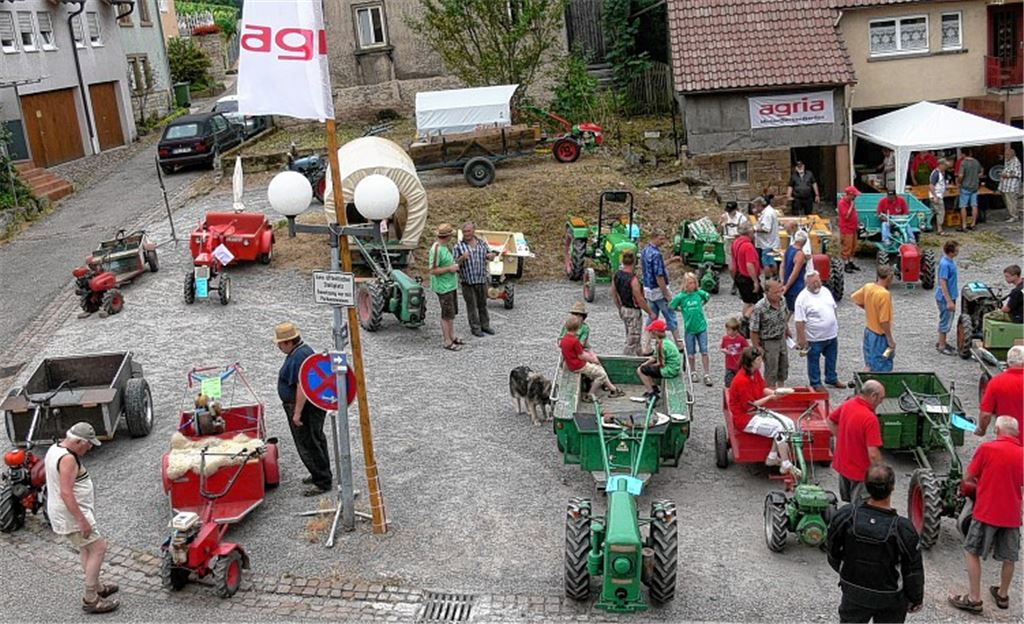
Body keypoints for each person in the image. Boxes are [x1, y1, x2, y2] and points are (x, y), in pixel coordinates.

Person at [827, 464, 924, 623]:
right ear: (893, 488)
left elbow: (832, 551)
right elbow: (913, 570)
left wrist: (844, 571)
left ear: (865, 485)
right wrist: (916, 598)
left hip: (853, 591)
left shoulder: (846, 515)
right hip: (890, 597)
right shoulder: (903, 527)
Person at [948, 417, 1023, 615]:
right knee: (1009, 556)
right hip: (1011, 514)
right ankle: (1003, 595)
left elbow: (967, 477)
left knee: (972, 551)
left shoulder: (987, 449)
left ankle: (974, 599)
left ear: (997, 429)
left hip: (986, 510)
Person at [45, 423, 120, 614]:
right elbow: (66, 493)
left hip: (68, 513)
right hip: (71, 515)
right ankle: (91, 598)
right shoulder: (68, 459)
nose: (90, 448)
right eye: (88, 444)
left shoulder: (55, 449)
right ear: (78, 441)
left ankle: (98, 587)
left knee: (86, 549)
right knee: (99, 548)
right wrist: (82, 520)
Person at [275, 322, 332, 496]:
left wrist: (297, 413)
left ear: (289, 342)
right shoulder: (302, 351)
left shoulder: (298, 357)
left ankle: (322, 481)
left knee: (308, 443)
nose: (278, 347)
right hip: (312, 406)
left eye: (280, 343)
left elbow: (302, 387)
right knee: (316, 439)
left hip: (305, 408)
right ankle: (321, 472)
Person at [728, 346, 800, 478]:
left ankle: (773, 456)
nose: (762, 362)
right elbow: (750, 406)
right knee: (780, 427)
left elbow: (762, 388)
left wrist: (775, 393)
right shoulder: (741, 381)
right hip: (745, 418)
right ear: (752, 362)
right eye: (760, 359)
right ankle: (786, 463)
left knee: (788, 423)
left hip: (755, 412)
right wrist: (771, 397)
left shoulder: (754, 373)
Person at [828, 380, 885, 503]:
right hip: (860, 473)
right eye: (881, 398)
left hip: (843, 466)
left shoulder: (848, 404)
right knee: (862, 510)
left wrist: (843, 437)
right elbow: (873, 454)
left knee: (850, 504)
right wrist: (881, 473)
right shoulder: (870, 419)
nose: (881, 402)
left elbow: (831, 420)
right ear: (873, 396)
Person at [794, 271, 843, 391]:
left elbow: (833, 308)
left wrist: (835, 325)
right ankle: (815, 383)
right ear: (807, 284)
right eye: (813, 283)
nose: (817, 285)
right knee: (813, 361)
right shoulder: (802, 298)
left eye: (818, 281)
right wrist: (802, 339)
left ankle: (831, 378)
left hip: (831, 335)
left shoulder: (826, 291)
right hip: (814, 338)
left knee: (832, 358)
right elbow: (799, 321)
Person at [560, 315, 624, 401]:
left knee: (599, 369)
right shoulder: (574, 341)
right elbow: (581, 355)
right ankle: (590, 395)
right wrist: (592, 359)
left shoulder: (564, 339)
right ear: (578, 328)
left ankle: (613, 389)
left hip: (571, 364)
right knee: (601, 374)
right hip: (579, 365)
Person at [640, 229, 682, 351]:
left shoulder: (645, 251)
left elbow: (648, 268)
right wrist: (667, 294)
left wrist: (670, 260)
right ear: (655, 237)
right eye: (661, 238)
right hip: (659, 291)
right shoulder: (656, 254)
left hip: (649, 289)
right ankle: (679, 344)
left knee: (652, 316)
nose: (663, 241)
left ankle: (646, 345)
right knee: (671, 316)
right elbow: (659, 275)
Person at [453, 222, 497, 338]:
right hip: (467, 281)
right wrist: (462, 258)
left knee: (483, 304)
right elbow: (454, 264)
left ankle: (485, 325)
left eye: (468, 231)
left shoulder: (482, 244)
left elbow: (489, 255)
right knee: (471, 306)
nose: (466, 234)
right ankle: (475, 328)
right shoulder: (458, 246)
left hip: (481, 279)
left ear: (473, 231)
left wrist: (491, 256)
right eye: (464, 232)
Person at [851, 265, 896, 372]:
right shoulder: (884, 294)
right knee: (881, 365)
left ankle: (864, 384)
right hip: (879, 336)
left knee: (869, 363)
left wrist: (870, 309)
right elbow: (884, 320)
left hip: (869, 331)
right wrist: (890, 339)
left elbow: (856, 299)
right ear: (889, 277)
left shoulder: (868, 287)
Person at [670, 272, 712, 386]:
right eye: (689, 283)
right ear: (685, 284)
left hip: (701, 327)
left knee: (704, 350)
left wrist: (702, 304)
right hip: (689, 329)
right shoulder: (682, 297)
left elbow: (707, 297)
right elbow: (672, 306)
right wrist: (682, 310)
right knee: (690, 353)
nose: (692, 285)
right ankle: (693, 371)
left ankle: (707, 373)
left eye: (693, 283)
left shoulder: (699, 293)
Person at [976, 345, 1024, 441]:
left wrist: (982, 429)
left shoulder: (996, 382)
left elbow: (985, 414)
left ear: (1007, 361)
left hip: (1008, 439)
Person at [429, 223, 463, 351]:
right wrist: (450, 268)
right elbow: (433, 270)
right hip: (443, 287)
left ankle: (452, 335)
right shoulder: (437, 249)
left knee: (451, 312)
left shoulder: (445, 247)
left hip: (450, 284)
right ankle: (447, 341)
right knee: (446, 314)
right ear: (447, 236)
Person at [750, 279, 789, 388]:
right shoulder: (760, 307)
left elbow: (784, 317)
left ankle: (781, 389)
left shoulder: (782, 300)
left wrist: (787, 330)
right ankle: (770, 391)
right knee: (771, 368)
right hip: (768, 341)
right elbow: (754, 330)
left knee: (783, 364)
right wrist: (757, 347)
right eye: (776, 292)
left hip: (781, 337)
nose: (779, 294)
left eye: (780, 291)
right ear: (767, 292)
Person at [611, 249, 651, 356]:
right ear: (634, 262)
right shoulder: (633, 280)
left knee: (631, 336)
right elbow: (639, 299)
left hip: (624, 308)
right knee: (632, 340)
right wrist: (650, 312)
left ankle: (639, 357)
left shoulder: (617, 275)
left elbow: (614, 294)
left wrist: (619, 308)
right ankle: (626, 362)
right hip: (633, 311)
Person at [634, 319, 682, 401]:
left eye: (651, 331)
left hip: (670, 370)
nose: (650, 332)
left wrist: (646, 366)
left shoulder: (661, 345)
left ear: (655, 332)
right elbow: (655, 356)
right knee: (646, 368)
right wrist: (646, 363)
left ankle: (652, 393)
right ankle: (654, 388)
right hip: (674, 367)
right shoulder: (665, 341)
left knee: (641, 370)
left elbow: (660, 364)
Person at [732, 220, 762, 321]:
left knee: (747, 301)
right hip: (747, 278)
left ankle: (745, 322)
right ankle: (745, 320)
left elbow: (732, 263)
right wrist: (755, 281)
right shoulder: (748, 246)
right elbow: (750, 265)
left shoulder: (736, 242)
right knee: (759, 302)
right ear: (749, 233)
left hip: (739, 275)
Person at [936, 240, 959, 356]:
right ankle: (941, 345)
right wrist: (949, 301)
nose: (958, 251)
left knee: (947, 319)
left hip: (950, 296)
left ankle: (943, 341)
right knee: (945, 320)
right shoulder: (945, 264)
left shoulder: (949, 261)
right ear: (951, 252)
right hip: (946, 298)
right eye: (956, 249)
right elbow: (943, 283)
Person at [719, 201, 745, 294]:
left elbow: (746, 231)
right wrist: (722, 223)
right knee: (731, 266)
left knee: (739, 264)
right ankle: (735, 281)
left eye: (731, 211)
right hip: (728, 241)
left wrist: (740, 234)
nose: (729, 213)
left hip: (738, 242)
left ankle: (738, 283)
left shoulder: (741, 218)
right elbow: (718, 231)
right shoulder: (724, 216)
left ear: (736, 210)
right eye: (728, 211)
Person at [781, 229, 808, 314]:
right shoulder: (800, 254)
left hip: (786, 283)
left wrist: (782, 281)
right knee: (795, 311)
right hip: (796, 287)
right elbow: (795, 273)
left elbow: (782, 266)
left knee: (788, 311)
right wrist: (787, 286)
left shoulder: (788, 249)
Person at [957, 148, 983, 231]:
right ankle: (973, 224)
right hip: (975, 187)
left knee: (963, 206)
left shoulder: (963, 163)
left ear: (963, 154)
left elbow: (960, 175)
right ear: (970, 153)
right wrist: (975, 177)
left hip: (965, 187)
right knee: (974, 205)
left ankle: (964, 225)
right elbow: (981, 172)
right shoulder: (976, 162)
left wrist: (959, 182)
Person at [837, 186, 862, 273]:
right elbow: (846, 216)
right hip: (846, 229)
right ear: (850, 195)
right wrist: (851, 206)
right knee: (847, 247)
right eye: (854, 195)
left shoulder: (850, 202)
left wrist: (857, 224)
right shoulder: (842, 203)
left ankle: (851, 262)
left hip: (853, 228)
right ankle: (846, 264)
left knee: (854, 246)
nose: (855, 197)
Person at [753, 196, 779, 278]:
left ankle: (769, 279)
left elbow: (766, 228)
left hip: (768, 243)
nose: (755, 208)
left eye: (756, 206)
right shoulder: (768, 211)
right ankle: (774, 278)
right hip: (769, 242)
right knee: (771, 261)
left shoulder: (767, 214)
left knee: (767, 263)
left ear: (760, 205)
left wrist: (754, 229)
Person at [721, 317, 749, 388]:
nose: (727, 332)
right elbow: (722, 347)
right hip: (729, 365)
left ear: (735, 331)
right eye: (727, 330)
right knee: (728, 382)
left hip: (739, 365)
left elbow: (747, 348)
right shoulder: (725, 338)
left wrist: (741, 353)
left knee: (740, 382)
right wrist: (724, 351)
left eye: (729, 330)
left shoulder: (741, 339)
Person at [999, 146, 1021, 223]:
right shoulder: (1009, 161)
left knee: (1011, 202)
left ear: (1012, 154)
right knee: (1008, 202)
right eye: (1005, 154)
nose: (1005, 156)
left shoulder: (1015, 162)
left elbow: (1018, 174)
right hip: (1006, 186)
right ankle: (1012, 214)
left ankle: (1014, 216)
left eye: (1007, 154)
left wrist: (1006, 175)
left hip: (1011, 186)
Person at [929, 159, 949, 235]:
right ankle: (939, 229)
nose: (946, 167)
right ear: (941, 165)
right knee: (940, 212)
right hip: (937, 196)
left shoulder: (940, 173)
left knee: (933, 212)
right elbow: (931, 185)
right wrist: (935, 196)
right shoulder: (936, 174)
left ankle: (928, 225)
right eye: (945, 165)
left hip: (938, 195)